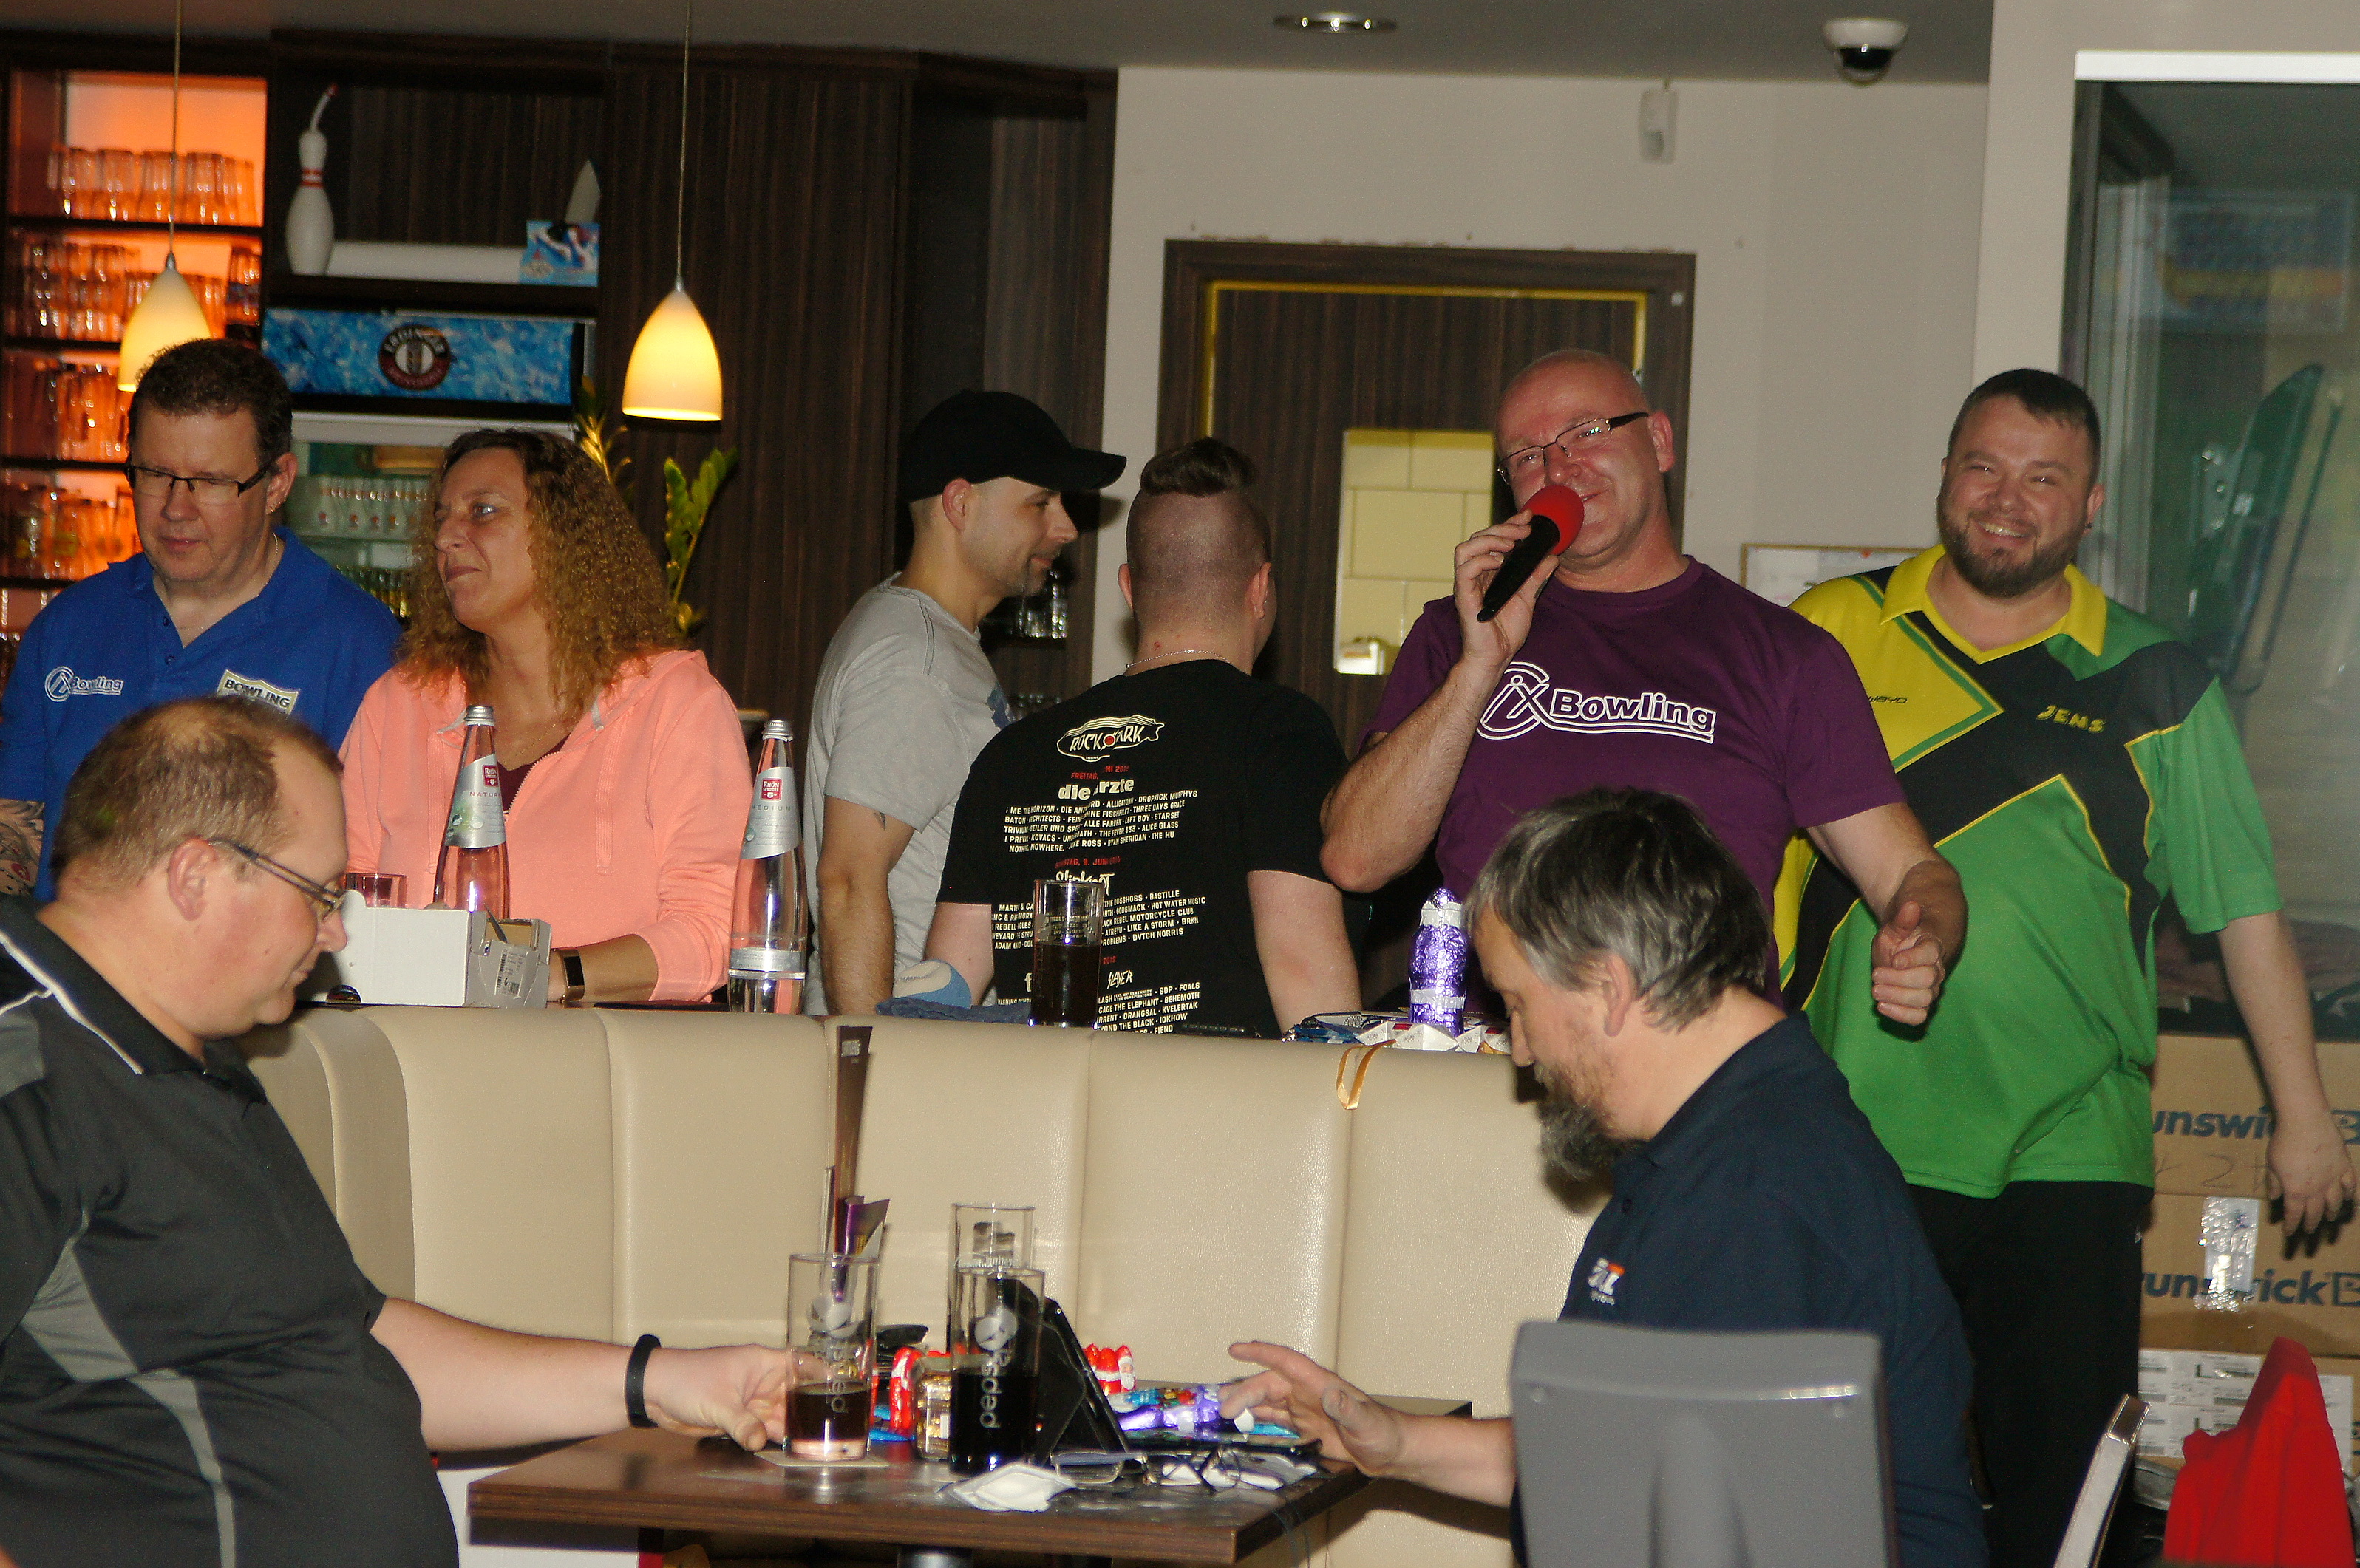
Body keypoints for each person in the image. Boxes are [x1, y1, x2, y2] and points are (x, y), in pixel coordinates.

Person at [1778, 368, 2359, 1568]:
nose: (2007, 499)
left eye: (2043, 478)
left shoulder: (2156, 678)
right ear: (1944, 476)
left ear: (2089, 504)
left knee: (2061, 1505)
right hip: (1851, 1132)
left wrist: (2303, 1115)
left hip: (2069, 1145)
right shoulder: (1829, 628)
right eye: (1983, 467)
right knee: (1834, 1498)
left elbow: (2243, 909)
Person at [0, 697, 791, 1567]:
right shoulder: (25, 1072)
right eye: (319, 894)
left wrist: (664, 1381)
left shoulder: (182, 1048)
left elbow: (349, 1337)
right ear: (195, 875)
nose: (337, 929)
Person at [1225, 788, 1984, 1568]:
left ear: (1608, 989)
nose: (1522, 1050)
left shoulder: (1755, 1192)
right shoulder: (1719, 1138)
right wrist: (1391, 1441)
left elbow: (1688, 1522)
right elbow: (1620, 1450)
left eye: (1518, 1004)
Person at [1321, 349, 1962, 1025]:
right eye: (1528, 456)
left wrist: (1922, 940)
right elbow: (1356, 858)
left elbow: (1911, 874)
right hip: (1498, 1060)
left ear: (1658, 441)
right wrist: (1478, 666)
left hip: (1701, 1065)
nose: (1559, 470)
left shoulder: (1784, 654)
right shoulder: (1454, 635)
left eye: (1586, 432)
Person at [928, 439, 1358, 1035]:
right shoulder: (1280, 731)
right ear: (1260, 588)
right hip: (1211, 1094)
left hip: (1048, 1092)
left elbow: (944, 986)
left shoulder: (1011, 755)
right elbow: (1302, 967)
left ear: (1129, 589)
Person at [340, 429, 749, 1004]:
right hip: (411, 1047)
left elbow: (715, 933)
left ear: (562, 535)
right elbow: (342, 904)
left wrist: (541, 972)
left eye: (483, 511)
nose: (447, 537)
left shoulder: (675, 703)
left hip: (605, 1054)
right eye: (441, 518)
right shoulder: (398, 706)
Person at [0, 338, 400, 901]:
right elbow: (17, 828)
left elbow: (370, 875)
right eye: (155, 474)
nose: (176, 508)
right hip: (69, 956)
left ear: (277, 483)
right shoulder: (68, 626)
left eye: (211, 482)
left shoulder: (361, 646)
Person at [805, 390, 1123, 1016]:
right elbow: (848, 879)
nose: (1065, 528)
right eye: (1040, 502)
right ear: (959, 503)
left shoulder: (923, 638)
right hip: (909, 1042)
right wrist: (873, 1058)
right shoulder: (914, 661)